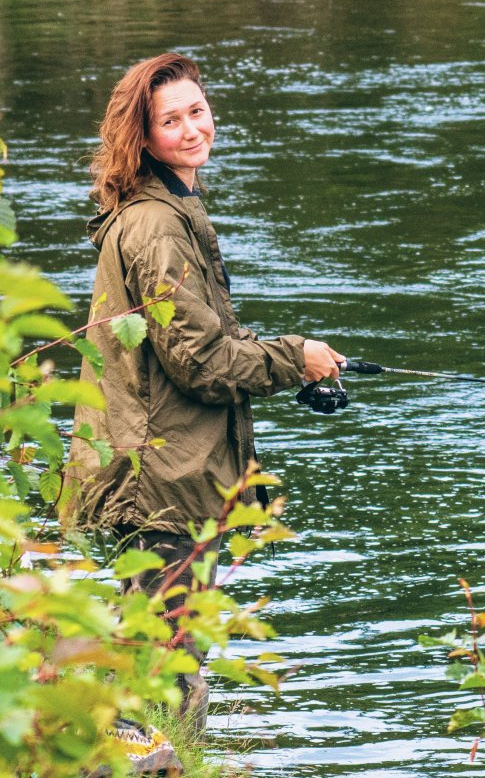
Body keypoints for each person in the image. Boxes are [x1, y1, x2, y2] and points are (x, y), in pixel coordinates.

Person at [64, 52, 345, 729]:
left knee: (162, 647)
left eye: (197, 110)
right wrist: (293, 358)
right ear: (144, 137)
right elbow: (199, 361)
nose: (192, 129)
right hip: (159, 477)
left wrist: (290, 359)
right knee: (166, 660)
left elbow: (199, 339)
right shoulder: (159, 226)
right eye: (171, 120)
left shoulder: (171, 207)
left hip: (162, 468)